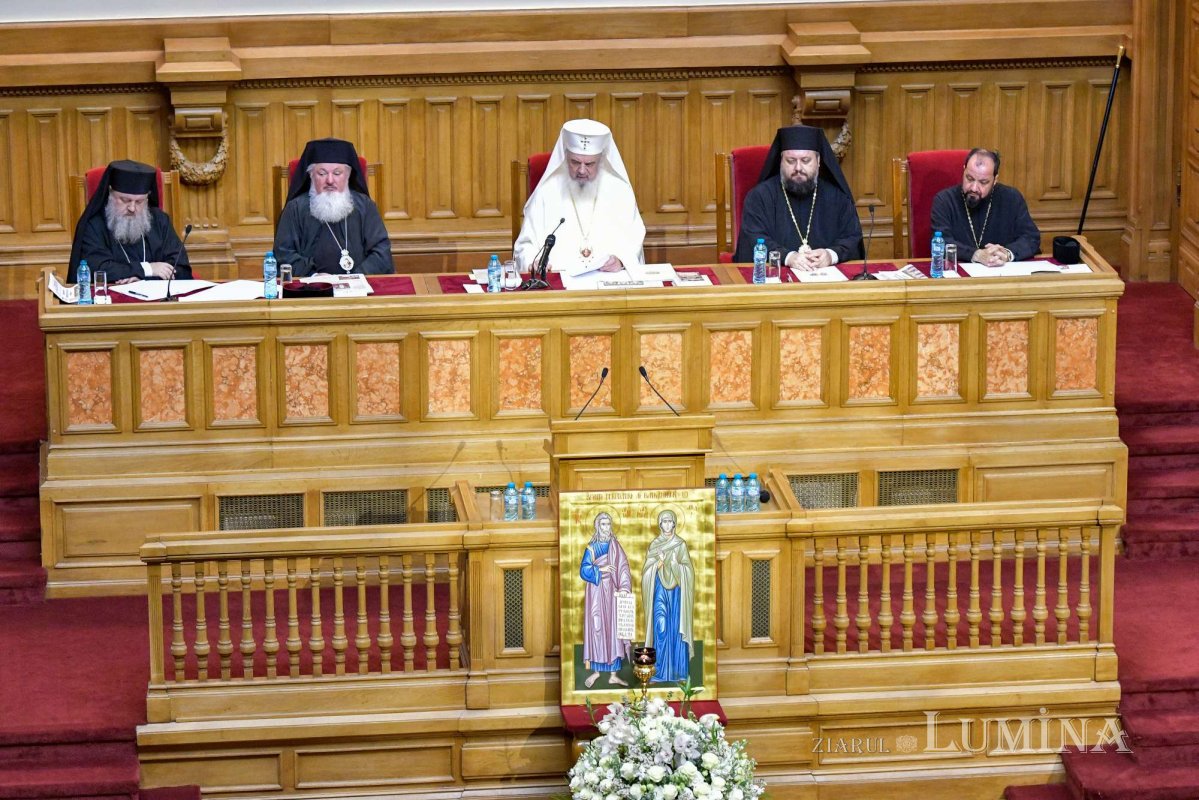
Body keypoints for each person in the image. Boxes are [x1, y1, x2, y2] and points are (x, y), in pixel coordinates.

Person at [514, 119, 645, 275]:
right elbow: (525, 246)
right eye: (575, 162)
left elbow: (634, 239)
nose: (581, 170)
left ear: (601, 160)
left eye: (589, 164)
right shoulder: (547, 191)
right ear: (565, 156)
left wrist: (621, 260)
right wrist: (533, 262)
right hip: (559, 289)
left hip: (608, 285)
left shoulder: (620, 190)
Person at [735, 124, 863, 270]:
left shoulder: (838, 198)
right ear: (781, 161)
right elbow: (753, 238)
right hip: (777, 283)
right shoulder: (760, 197)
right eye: (790, 161)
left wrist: (830, 254)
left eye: (806, 160)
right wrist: (788, 257)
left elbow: (852, 237)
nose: (798, 168)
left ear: (819, 161)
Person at [273, 138, 393, 277]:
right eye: (322, 173)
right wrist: (314, 276)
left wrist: (355, 277)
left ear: (347, 176)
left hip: (360, 289)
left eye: (337, 173)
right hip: (311, 290)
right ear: (311, 176)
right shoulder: (295, 209)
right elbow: (283, 254)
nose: (330, 180)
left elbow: (382, 253)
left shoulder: (365, 206)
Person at [68, 160, 190, 284]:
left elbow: (181, 268)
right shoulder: (94, 225)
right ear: (110, 193)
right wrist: (147, 269)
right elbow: (96, 269)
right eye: (125, 200)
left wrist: (144, 278)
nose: (132, 208)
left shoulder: (160, 220)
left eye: (139, 202)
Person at [930, 148, 1041, 266]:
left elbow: (1031, 238)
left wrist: (1007, 253)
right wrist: (976, 254)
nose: (974, 188)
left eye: (983, 182)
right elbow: (941, 241)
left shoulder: (1012, 198)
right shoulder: (945, 200)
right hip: (959, 276)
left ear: (995, 180)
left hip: (1003, 276)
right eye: (969, 178)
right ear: (964, 171)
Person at [579, 512, 632, 689]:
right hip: (596, 591)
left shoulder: (616, 546)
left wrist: (624, 587)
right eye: (602, 524)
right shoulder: (591, 548)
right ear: (597, 526)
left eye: (608, 524)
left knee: (613, 628)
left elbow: (624, 567)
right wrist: (600, 569)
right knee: (597, 627)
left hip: (613, 591)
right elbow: (584, 570)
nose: (606, 528)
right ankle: (595, 672)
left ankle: (613, 675)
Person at [640, 509, 694, 684]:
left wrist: (674, 565)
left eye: (670, 521)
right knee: (661, 628)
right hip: (660, 592)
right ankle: (659, 671)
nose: (667, 525)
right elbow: (647, 572)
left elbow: (688, 571)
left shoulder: (680, 545)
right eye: (664, 522)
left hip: (677, 593)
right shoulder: (654, 545)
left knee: (676, 630)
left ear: (675, 524)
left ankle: (678, 673)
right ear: (659, 524)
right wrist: (659, 563)